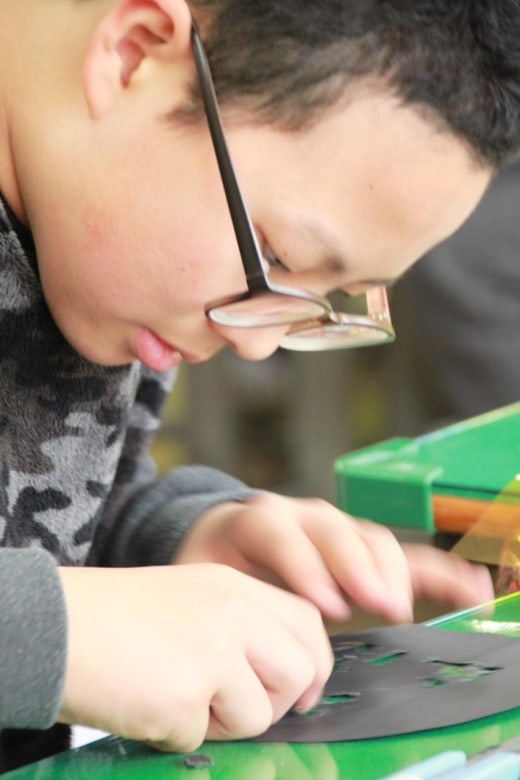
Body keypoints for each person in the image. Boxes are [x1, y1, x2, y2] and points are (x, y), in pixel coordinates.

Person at [0, 0, 518, 768]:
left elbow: (46, 526)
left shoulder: (101, 256)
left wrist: (174, 539)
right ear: (134, 53)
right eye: (274, 258)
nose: (258, 341)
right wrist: (60, 632)